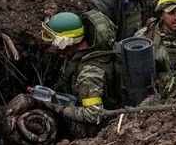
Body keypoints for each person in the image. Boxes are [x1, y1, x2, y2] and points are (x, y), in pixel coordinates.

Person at [38, 9, 121, 138]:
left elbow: (94, 115)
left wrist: (60, 109)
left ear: (66, 41)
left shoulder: (88, 74)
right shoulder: (81, 53)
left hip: (97, 131)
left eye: (52, 39)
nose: (52, 47)